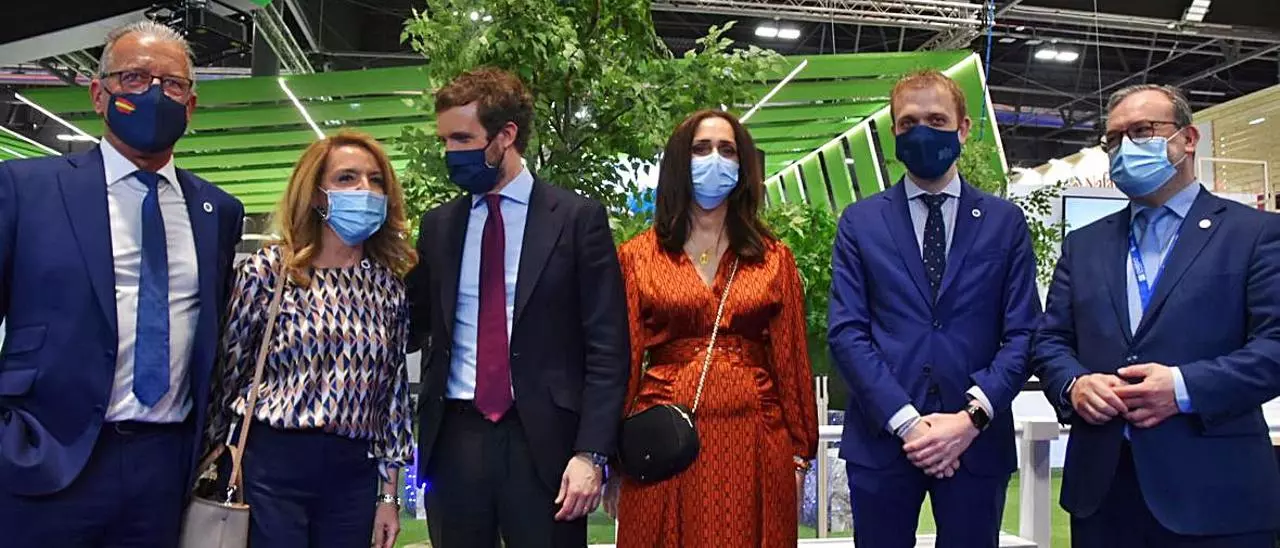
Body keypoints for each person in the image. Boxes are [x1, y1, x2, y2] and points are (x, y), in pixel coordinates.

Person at [0, 21, 245, 547]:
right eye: (133, 78)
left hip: (164, 468)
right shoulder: (25, 189)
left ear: (191, 105)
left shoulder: (218, 211)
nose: (154, 93)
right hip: (42, 456)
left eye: (171, 84)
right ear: (98, 94)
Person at [1034, 84, 1280, 547]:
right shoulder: (1083, 245)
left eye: (1142, 131)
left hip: (1216, 497)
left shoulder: (1256, 234)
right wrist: (1074, 384)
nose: (1125, 148)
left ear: (1188, 139)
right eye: (1113, 139)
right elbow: (1050, 341)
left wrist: (1183, 388)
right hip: (1103, 495)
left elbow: (1275, 346)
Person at [406, 67, 630, 548]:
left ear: (505, 136)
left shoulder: (576, 220)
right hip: (456, 441)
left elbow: (608, 348)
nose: (451, 153)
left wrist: (592, 452)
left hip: (547, 447)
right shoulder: (439, 227)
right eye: (445, 141)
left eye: (462, 139)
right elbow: (414, 323)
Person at [827, 70, 1040, 548]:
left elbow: (1024, 332)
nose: (922, 131)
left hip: (975, 442)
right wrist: (906, 422)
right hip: (883, 439)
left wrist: (971, 418)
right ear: (894, 132)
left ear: (963, 129)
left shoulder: (1004, 223)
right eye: (909, 122)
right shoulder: (860, 222)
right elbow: (847, 332)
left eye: (937, 120)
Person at [601, 110, 818, 547]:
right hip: (662, 437)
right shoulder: (637, 257)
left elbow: (791, 361)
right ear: (679, 163)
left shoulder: (773, 258)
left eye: (727, 150)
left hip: (755, 438)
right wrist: (613, 459)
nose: (714, 159)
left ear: (743, 167)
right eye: (701, 149)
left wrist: (800, 457)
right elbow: (622, 364)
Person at [206, 130, 415, 548]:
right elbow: (227, 374)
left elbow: (393, 397)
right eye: (347, 178)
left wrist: (389, 496)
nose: (365, 189)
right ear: (317, 193)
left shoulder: (387, 286)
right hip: (271, 465)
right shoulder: (270, 272)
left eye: (375, 180)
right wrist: (210, 459)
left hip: (353, 472)